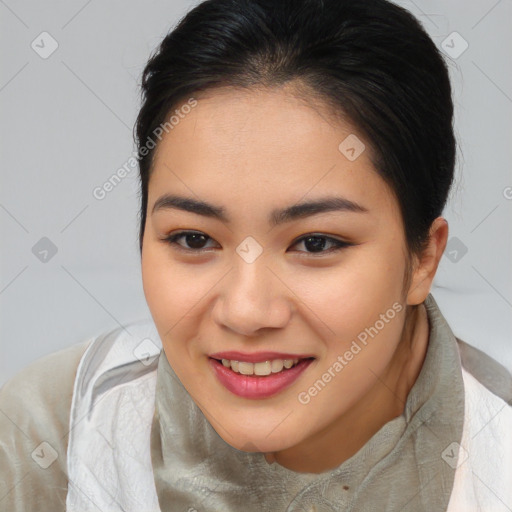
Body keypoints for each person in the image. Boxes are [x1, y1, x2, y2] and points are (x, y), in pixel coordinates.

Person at [1, 0, 511, 510]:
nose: (245, 311)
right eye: (194, 239)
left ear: (423, 258)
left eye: (315, 243)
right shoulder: (45, 444)